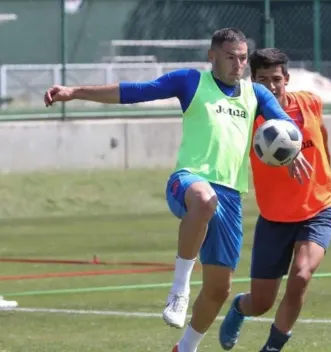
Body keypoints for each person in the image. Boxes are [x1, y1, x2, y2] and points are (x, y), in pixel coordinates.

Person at [43, 29, 312, 352]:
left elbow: (285, 125)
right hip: (188, 180)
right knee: (203, 199)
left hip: (231, 197)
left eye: (242, 57)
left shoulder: (255, 94)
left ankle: (185, 347)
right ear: (212, 56)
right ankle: (179, 289)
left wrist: (291, 150)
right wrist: (74, 92)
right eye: (230, 57)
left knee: (218, 289)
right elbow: (135, 91)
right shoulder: (191, 81)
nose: (238, 64)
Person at [219, 48, 331, 351]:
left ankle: (272, 347)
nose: (271, 87)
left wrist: (325, 175)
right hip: (274, 219)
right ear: (252, 81)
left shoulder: (310, 103)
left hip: (317, 211)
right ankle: (239, 308)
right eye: (262, 80)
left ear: (287, 78)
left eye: (276, 79)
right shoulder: (246, 119)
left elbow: (321, 135)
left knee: (301, 274)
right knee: (260, 303)